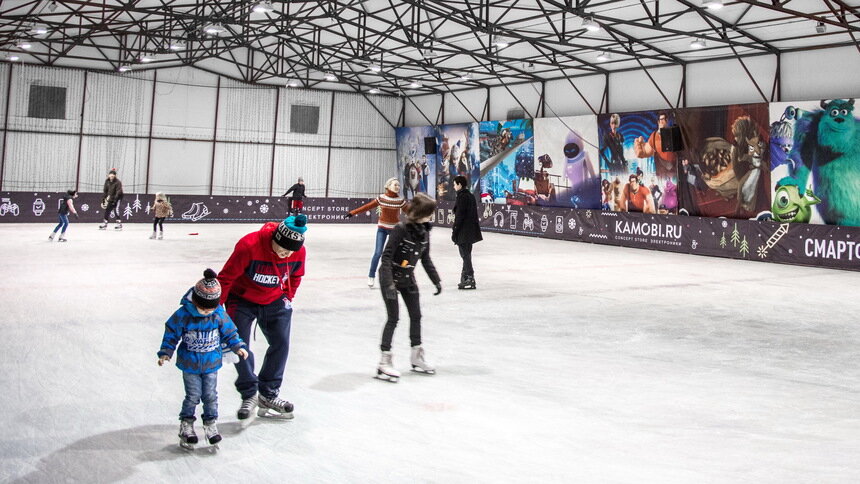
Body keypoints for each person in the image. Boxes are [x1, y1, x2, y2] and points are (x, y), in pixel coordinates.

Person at [217, 214, 308, 420]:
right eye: (283, 249)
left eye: (290, 251)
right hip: (242, 299)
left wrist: (288, 297)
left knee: (281, 344)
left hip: (275, 299)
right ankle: (249, 393)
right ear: (275, 239)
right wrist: (217, 310)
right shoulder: (249, 245)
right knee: (239, 345)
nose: (286, 255)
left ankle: (268, 393)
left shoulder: (298, 251)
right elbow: (226, 277)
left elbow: (296, 275)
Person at [157, 269, 249, 449]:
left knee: (210, 396)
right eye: (203, 307)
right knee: (192, 396)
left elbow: (230, 332)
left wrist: (238, 346)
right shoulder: (183, 314)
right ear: (196, 301)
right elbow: (171, 333)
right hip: (190, 364)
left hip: (211, 364)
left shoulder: (218, 314)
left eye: (211, 307)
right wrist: (166, 352)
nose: (207, 311)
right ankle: (187, 425)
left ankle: (210, 424)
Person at [376, 193, 441, 383]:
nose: (432, 216)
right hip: (390, 277)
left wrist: (436, 280)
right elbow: (386, 257)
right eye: (430, 212)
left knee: (416, 316)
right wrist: (388, 284)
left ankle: (416, 356)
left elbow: (425, 258)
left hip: (407, 278)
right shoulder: (401, 229)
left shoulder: (425, 231)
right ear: (422, 212)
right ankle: (384, 361)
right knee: (393, 318)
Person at [344, 177, 406, 288]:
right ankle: (371, 276)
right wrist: (353, 212)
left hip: (394, 231)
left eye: (398, 185)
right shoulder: (381, 198)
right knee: (378, 253)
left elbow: (411, 211)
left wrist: (423, 216)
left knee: (393, 255)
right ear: (388, 186)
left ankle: (393, 278)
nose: (397, 187)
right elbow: (367, 206)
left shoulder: (400, 201)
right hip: (382, 229)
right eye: (395, 185)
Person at [451, 175, 482, 290]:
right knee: (466, 254)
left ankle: (469, 276)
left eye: (454, 184)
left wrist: (455, 231)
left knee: (465, 255)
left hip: (464, 231)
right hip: (470, 231)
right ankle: (465, 277)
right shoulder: (470, 196)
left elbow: (460, 216)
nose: (454, 187)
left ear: (459, 184)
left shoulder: (462, 197)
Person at [633, 112, 677, 179]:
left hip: (676, 173)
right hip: (662, 175)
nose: (662, 121)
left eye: (664, 119)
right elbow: (647, 150)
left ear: (667, 120)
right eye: (660, 120)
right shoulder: (654, 136)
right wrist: (643, 151)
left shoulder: (674, 133)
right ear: (658, 122)